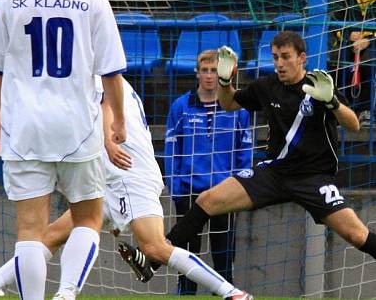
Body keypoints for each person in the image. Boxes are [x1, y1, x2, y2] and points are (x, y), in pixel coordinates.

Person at [0, 77, 253, 300]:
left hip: (126, 173)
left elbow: (104, 108)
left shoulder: (94, 75)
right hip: (110, 175)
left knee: (154, 247)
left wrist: (106, 142)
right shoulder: (111, 78)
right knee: (52, 235)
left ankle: (231, 292)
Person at [130, 31, 376, 279]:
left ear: (302, 57)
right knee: (207, 200)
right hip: (274, 173)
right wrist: (225, 82)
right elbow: (229, 104)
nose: (279, 63)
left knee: (356, 234)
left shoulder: (319, 85)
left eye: (285, 57)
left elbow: (353, 124)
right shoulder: (267, 86)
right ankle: (152, 261)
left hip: (313, 178)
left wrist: (332, 101)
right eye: (275, 57)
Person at [0, 0, 128, 298]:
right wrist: (117, 122)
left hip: (24, 127)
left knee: (30, 230)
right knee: (87, 219)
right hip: (79, 128)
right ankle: (67, 292)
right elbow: (112, 72)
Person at [163, 50, 253, 294]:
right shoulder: (182, 106)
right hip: (190, 191)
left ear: (224, 74)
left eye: (214, 70)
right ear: (197, 73)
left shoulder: (238, 109)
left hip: (225, 192)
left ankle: (226, 294)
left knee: (223, 257)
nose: (209, 76)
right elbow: (172, 150)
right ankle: (186, 295)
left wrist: (242, 188)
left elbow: (245, 152)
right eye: (205, 70)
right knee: (187, 256)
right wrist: (175, 187)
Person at [331, 0, 376, 126]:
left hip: (372, 44)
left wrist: (369, 39)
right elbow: (335, 22)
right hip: (349, 43)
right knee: (337, 61)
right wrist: (349, 35)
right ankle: (341, 107)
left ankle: (365, 110)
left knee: (367, 62)